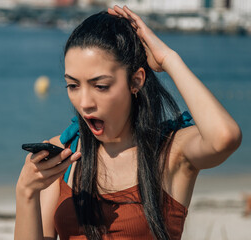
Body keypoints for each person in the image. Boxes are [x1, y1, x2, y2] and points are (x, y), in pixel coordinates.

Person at [14, 5, 242, 240]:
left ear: (136, 81)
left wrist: (168, 59)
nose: (84, 103)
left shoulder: (171, 151)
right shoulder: (65, 153)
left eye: (100, 86)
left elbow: (224, 137)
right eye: (73, 85)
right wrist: (27, 192)